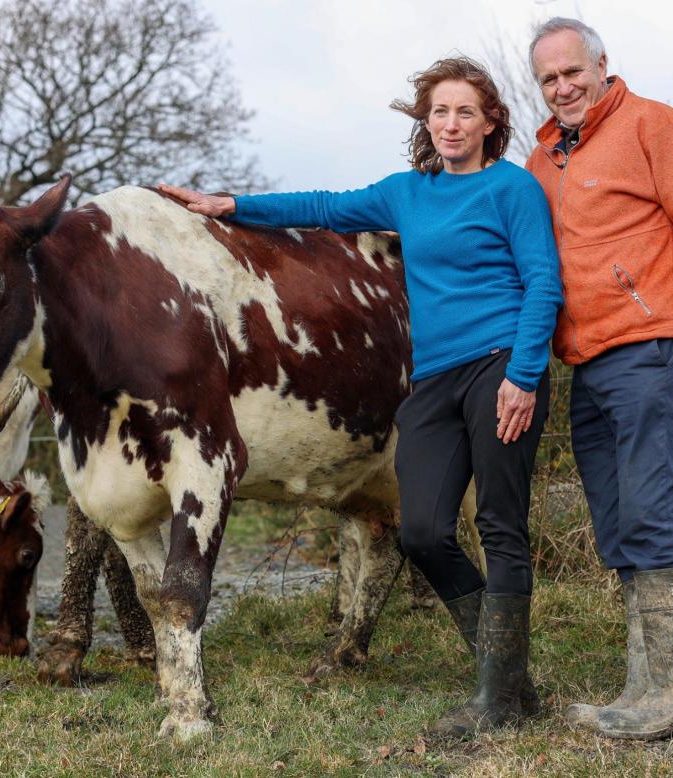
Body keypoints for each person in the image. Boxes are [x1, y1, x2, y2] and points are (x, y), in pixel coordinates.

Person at [160, 56, 563, 739]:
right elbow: (321, 208)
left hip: (501, 367)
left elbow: (542, 283)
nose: (450, 123)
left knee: (498, 524)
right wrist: (228, 206)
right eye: (439, 111)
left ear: (491, 121)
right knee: (422, 530)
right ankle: (514, 679)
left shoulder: (512, 189)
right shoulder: (408, 192)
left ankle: (498, 698)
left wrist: (524, 377)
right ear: (424, 122)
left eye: (466, 111)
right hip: (432, 378)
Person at [524, 18, 673, 740]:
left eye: (571, 72)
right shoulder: (540, 161)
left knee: (651, 515)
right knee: (618, 525)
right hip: (589, 364)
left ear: (600, 66)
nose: (562, 87)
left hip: (656, 351)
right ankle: (646, 685)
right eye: (548, 79)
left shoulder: (655, 126)